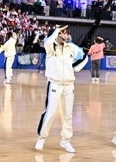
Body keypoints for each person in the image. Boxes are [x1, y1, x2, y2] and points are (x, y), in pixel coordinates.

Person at [36, 25, 88, 153]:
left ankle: (66, 140)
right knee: (50, 112)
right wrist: (56, 31)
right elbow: (46, 42)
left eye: (66, 34)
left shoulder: (72, 47)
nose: (65, 36)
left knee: (68, 114)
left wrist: (78, 65)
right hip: (55, 84)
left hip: (69, 85)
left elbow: (83, 58)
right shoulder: (51, 47)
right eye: (62, 33)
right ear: (57, 33)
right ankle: (42, 138)